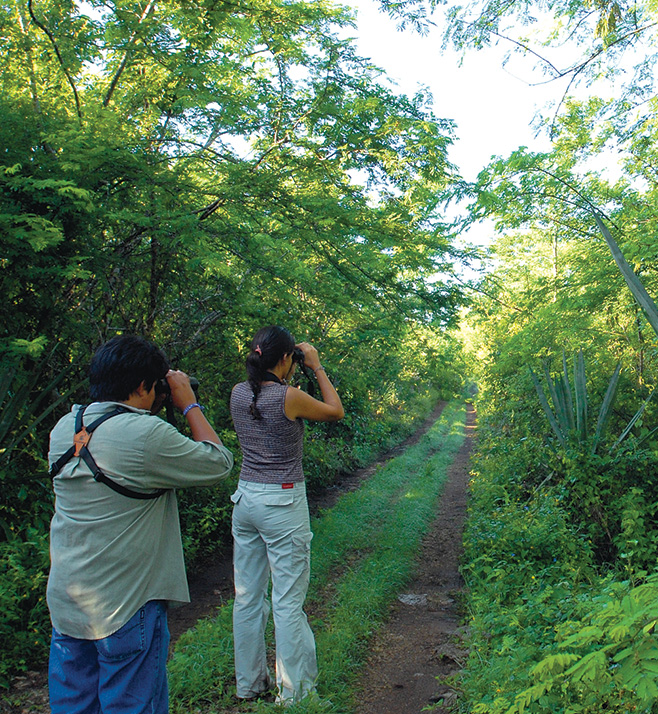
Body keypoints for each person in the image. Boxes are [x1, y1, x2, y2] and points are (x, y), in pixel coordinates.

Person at [46, 334, 234, 714]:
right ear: (143, 386)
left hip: (69, 603)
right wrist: (188, 404)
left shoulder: (65, 425)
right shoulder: (145, 434)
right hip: (125, 605)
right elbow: (218, 462)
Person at [229, 325, 344, 706]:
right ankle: (296, 694)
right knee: (287, 601)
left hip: (245, 498)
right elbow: (335, 411)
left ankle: (249, 684)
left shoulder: (239, 393)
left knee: (247, 597)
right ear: (284, 359)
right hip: (281, 501)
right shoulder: (288, 397)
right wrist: (317, 367)